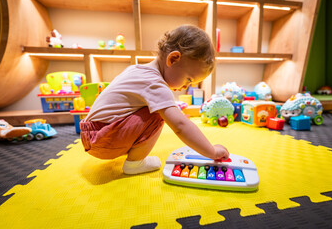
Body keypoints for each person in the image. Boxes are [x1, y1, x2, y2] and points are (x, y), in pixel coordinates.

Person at [80, 25, 229, 175]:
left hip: (92, 134)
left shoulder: (138, 70)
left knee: (159, 108)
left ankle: (132, 154)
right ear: (173, 59)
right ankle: (134, 164)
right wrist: (211, 151)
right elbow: (180, 126)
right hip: (101, 139)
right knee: (158, 113)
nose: (186, 86)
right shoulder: (154, 83)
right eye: (188, 79)